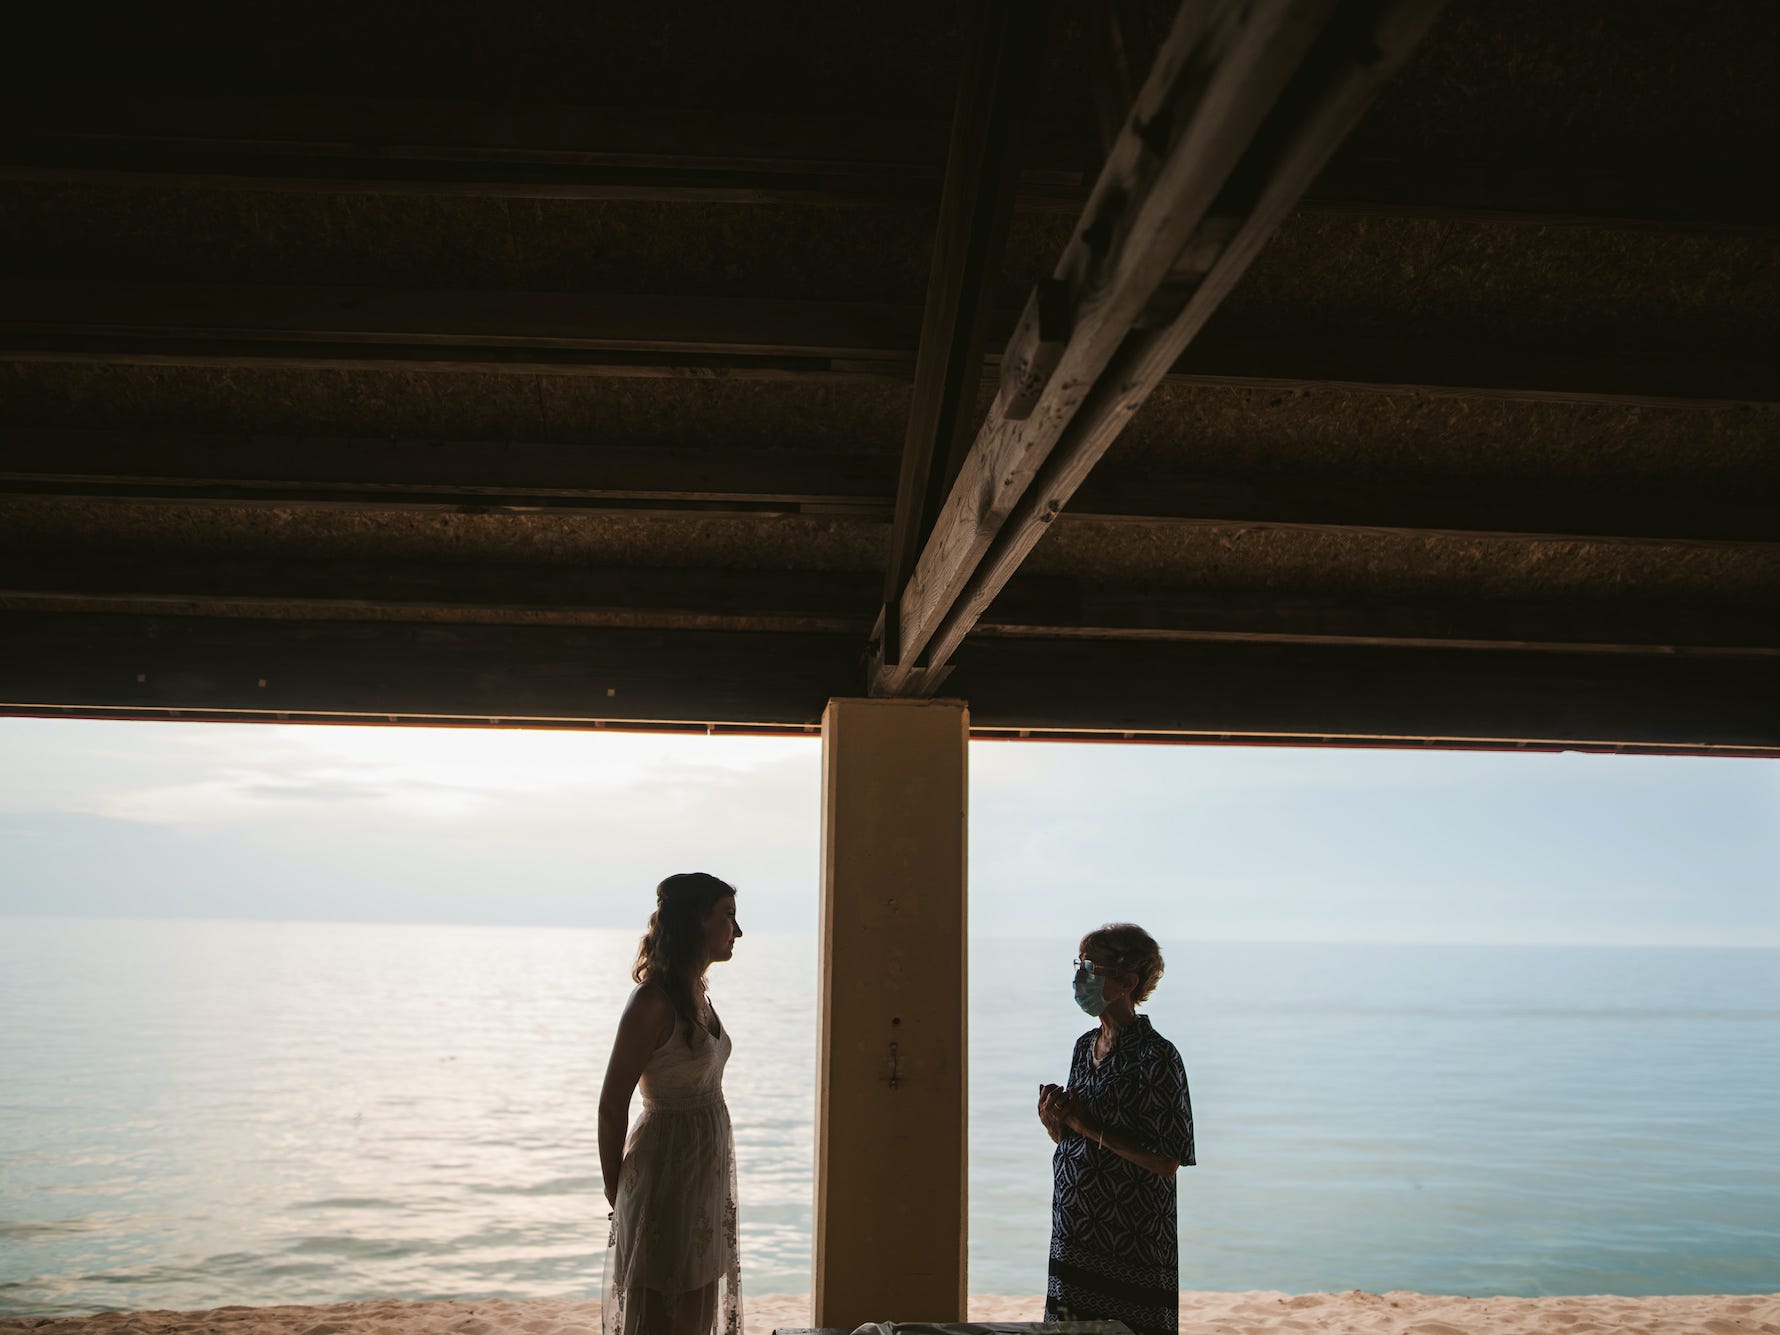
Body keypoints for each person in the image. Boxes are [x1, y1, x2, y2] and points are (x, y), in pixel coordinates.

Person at [599, 873, 744, 1335]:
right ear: (697, 920)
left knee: (694, 1316)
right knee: (664, 1318)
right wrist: (614, 1187)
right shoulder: (652, 1002)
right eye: (728, 916)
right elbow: (611, 1102)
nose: (736, 931)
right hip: (665, 1177)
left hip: (702, 1177)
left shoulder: (697, 991)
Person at [1038, 923, 1195, 1335]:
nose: (1079, 977)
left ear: (1127, 981)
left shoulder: (1157, 1057)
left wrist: (1086, 1126)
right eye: (1079, 964)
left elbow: (1166, 1160)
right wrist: (1056, 1124)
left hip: (1130, 1238)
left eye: (1090, 967)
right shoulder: (1083, 1046)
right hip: (1075, 1229)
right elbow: (1079, 1138)